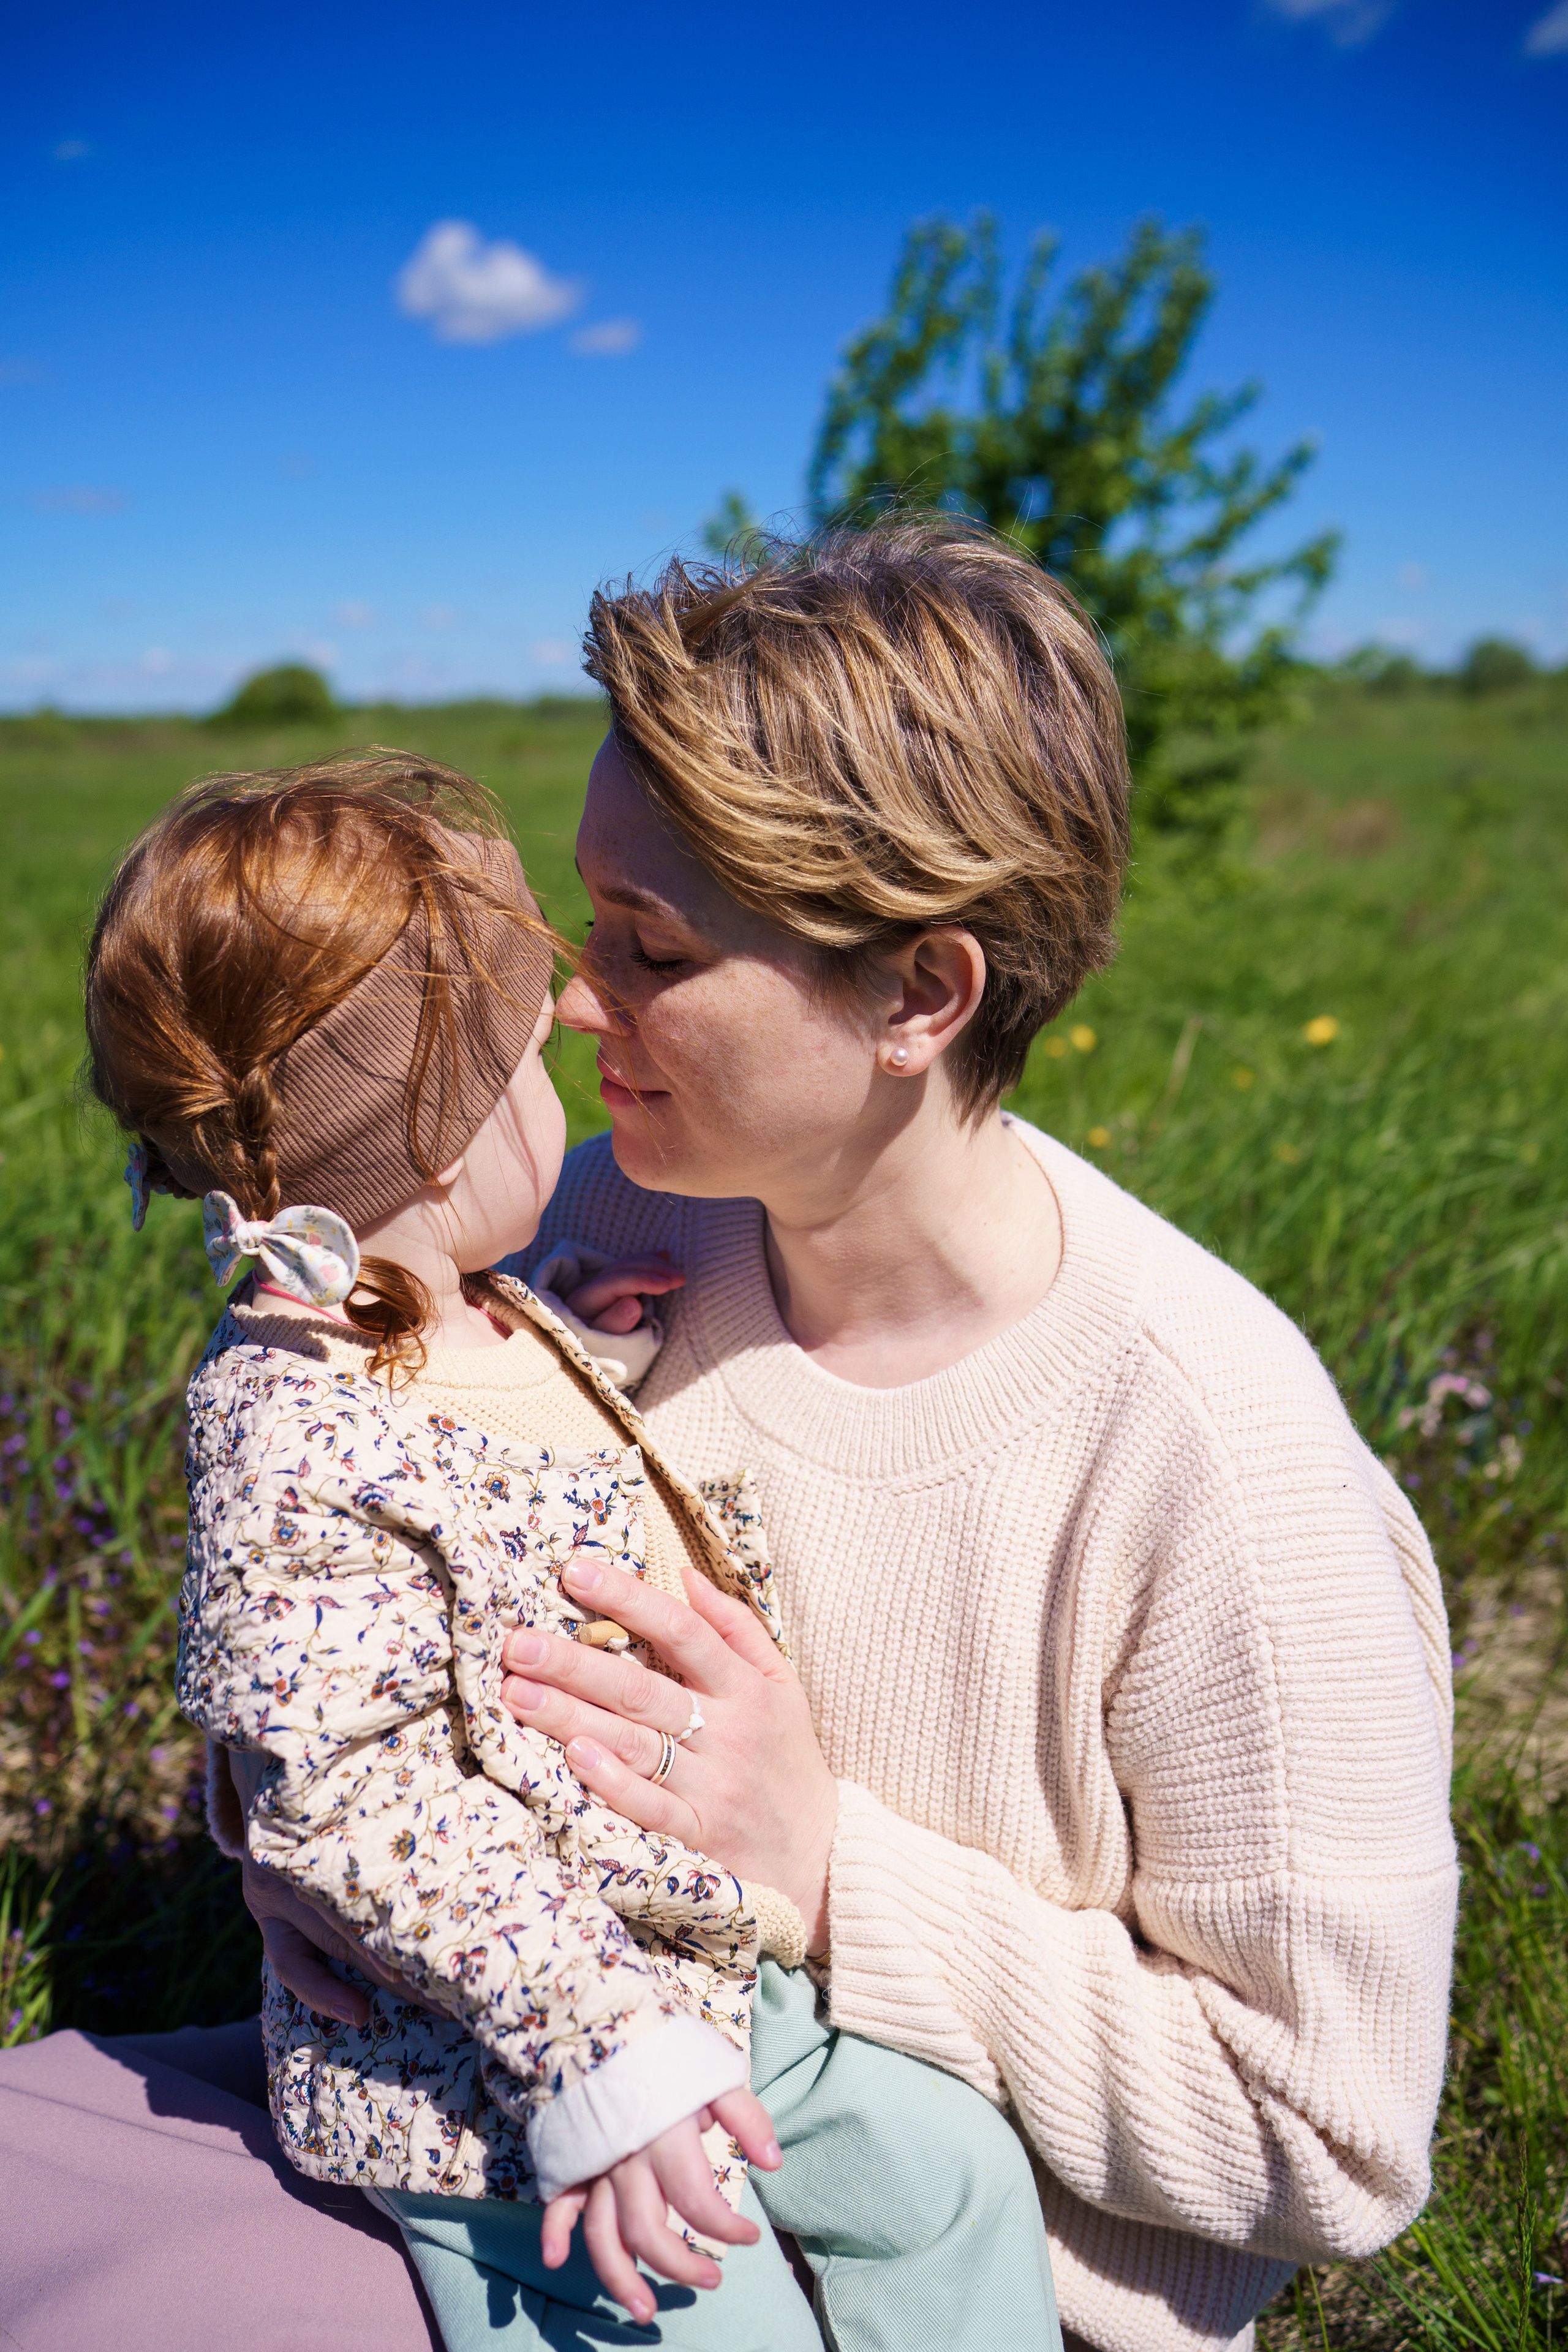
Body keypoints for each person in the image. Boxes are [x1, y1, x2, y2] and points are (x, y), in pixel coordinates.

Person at [447, 517, 1453, 2351]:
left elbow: (1334, 2144)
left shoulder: (1218, 1458)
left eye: (657, 948)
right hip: (525, 2120)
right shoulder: (593, 1228)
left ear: (921, 994)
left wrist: (831, 1871)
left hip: (941, 2294)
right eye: (586, 926)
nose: (580, 1000)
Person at [62, 751, 1061, 2352]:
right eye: (532, 1067)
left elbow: (473, 1433)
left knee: (948, 2181)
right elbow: (347, 1790)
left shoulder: (465, 1302)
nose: (579, 1047)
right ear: (448, 1139)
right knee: (697, 2314)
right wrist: (596, 2056)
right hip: (506, 2072)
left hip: (706, 1977)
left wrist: (564, 1330)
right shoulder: (291, 1420)